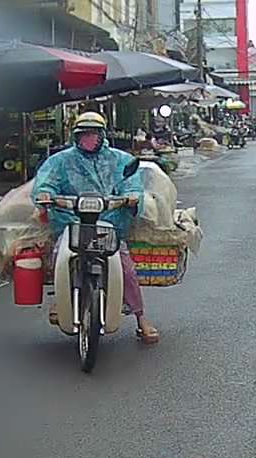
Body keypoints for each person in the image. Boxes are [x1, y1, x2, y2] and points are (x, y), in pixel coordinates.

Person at [33, 111, 159, 344]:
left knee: (126, 268)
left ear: (102, 135)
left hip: (108, 223)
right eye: (84, 134)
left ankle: (141, 318)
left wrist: (131, 197)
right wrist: (45, 195)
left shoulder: (121, 160)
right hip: (72, 221)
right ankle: (61, 300)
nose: (89, 138)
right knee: (59, 257)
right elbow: (45, 182)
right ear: (75, 136)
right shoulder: (60, 160)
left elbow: (132, 185)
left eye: (93, 134)